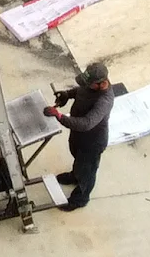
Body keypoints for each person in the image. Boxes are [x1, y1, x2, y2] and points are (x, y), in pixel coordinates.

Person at [50, 63, 119, 211]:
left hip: (92, 141)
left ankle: (80, 199)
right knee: (78, 157)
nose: (86, 86)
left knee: (87, 170)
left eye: (90, 84)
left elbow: (87, 123)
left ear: (102, 84)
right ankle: (75, 176)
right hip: (79, 134)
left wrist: (60, 116)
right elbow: (80, 91)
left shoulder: (104, 101)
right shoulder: (90, 85)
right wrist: (67, 94)